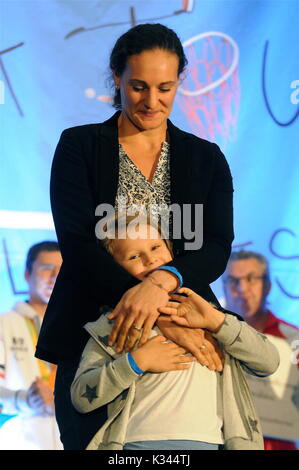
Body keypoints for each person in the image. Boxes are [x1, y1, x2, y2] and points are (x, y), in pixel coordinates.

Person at [36, 23, 235, 450]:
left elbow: (216, 247)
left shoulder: (206, 157)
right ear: (117, 78)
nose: (151, 101)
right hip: (94, 335)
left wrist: (164, 284)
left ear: (182, 80)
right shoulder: (79, 146)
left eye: (165, 87)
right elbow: (77, 244)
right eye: (138, 86)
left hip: (186, 333)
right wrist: (157, 311)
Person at [70, 220, 279, 450]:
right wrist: (136, 362)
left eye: (156, 247)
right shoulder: (112, 325)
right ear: (115, 268)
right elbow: (82, 397)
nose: (150, 260)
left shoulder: (208, 315)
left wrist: (216, 321)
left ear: (171, 249)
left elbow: (269, 362)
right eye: (133, 257)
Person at [222, 250, 299, 451]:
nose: (242, 288)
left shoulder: (293, 338)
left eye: (251, 279)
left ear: (267, 286)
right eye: (233, 281)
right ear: (224, 287)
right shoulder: (209, 337)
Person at [0, 241, 63, 450]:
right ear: (27, 274)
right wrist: (27, 399)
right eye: (46, 268)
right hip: (21, 439)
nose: (55, 276)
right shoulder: (5, 324)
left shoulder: (78, 327)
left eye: (61, 270)